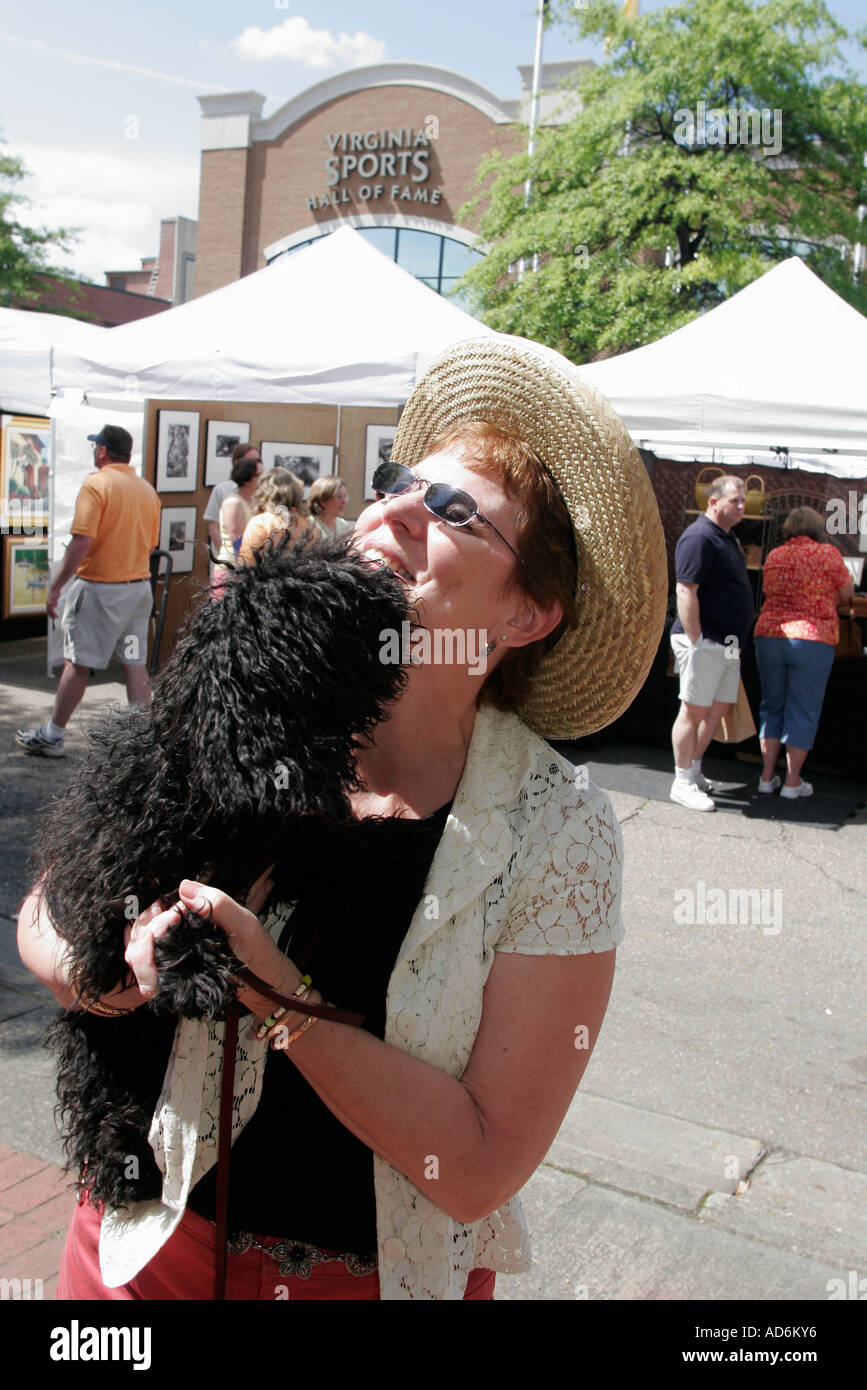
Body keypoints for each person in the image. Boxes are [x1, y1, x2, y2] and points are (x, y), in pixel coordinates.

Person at [18, 335, 666, 1301]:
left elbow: (482, 1164)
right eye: (398, 480)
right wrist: (118, 977)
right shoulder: (242, 698)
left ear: (527, 614)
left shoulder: (555, 829)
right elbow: (43, 919)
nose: (394, 507)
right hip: (136, 1258)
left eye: (453, 512)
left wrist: (280, 1001)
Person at [14, 424, 160, 758]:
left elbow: (82, 541)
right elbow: (150, 545)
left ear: (103, 451)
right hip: (137, 592)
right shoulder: (146, 490)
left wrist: (55, 587)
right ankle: (145, 741)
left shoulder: (97, 484)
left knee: (77, 662)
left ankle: (53, 734)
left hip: (100, 592)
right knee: (135, 663)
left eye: (96, 446)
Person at [753, 507, 854, 799]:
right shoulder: (828, 554)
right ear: (817, 527)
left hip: (771, 634)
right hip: (813, 638)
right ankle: (792, 781)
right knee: (803, 709)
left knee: (771, 706)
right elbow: (847, 594)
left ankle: (765, 777)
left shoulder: (775, 556)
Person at [669, 475, 754, 811]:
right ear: (714, 501)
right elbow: (685, 590)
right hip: (706, 641)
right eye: (736, 500)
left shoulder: (727, 538)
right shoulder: (700, 537)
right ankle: (682, 781)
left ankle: (694, 769)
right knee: (693, 710)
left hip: (729, 643)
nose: (742, 506)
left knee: (716, 709)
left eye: (744, 501)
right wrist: (695, 640)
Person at [211, 445, 263, 597]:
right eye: (259, 475)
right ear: (247, 480)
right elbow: (238, 543)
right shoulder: (233, 503)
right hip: (232, 571)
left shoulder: (255, 502)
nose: (263, 480)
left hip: (248, 569)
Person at [238, 468, 313, 566]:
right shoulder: (309, 526)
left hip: (267, 580)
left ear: (263, 492)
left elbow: (247, 565)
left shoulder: (260, 523)